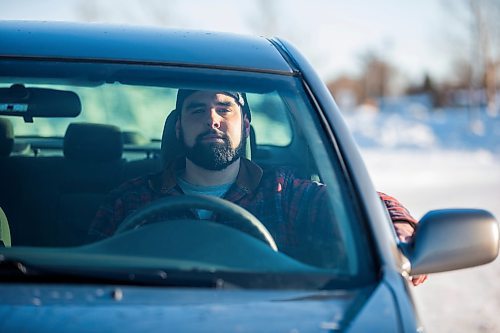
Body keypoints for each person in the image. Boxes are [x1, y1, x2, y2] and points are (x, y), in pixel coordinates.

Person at [89, 89, 426, 285]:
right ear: (178, 128)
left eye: (224, 109)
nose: (212, 120)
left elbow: (363, 203)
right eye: (197, 110)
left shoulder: (283, 192)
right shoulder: (131, 200)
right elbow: (86, 285)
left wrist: (398, 229)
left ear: (245, 126)